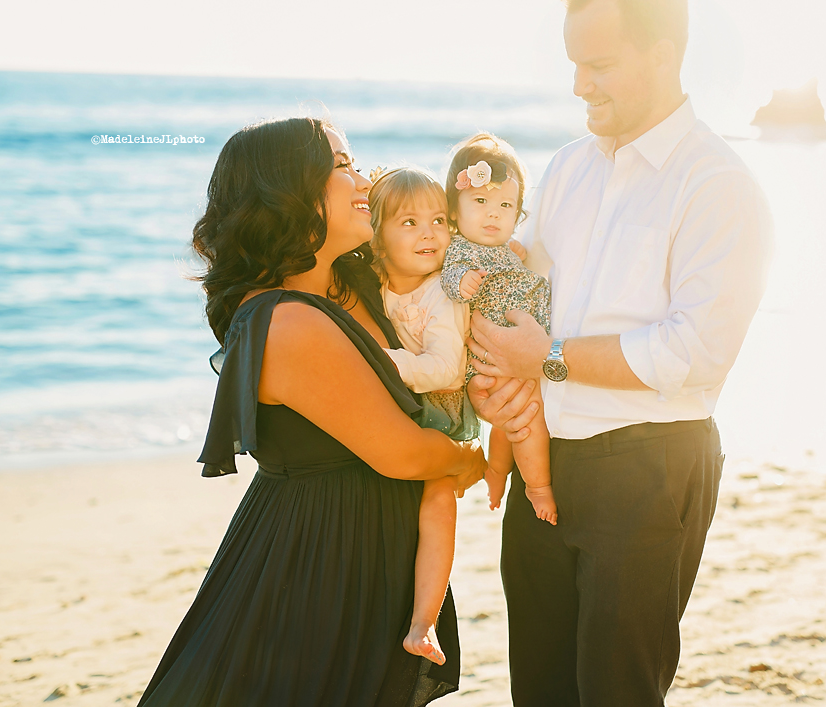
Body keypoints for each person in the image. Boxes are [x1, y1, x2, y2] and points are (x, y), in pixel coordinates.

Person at [465, 0, 774, 704]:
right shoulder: (567, 167)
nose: (579, 85)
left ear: (662, 56)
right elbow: (520, 288)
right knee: (538, 689)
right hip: (546, 463)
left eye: (598, 65)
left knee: (617, 692)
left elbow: (694, 353)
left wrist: (547, 358)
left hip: (649, 466)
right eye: (574, 64)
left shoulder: (717, 183)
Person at [138, 118, 487, 707]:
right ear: (291, 190)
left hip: (367, 548)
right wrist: (468, 459)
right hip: (319, 558)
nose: (363, 180)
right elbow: (402, 453)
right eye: (342, 165)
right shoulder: (287, 320)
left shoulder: (354, 283)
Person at [366, 165, 479, 666]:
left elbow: (446, 369)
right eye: (409, 223)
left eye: (438, 220)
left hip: (440, 410)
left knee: (437, 506)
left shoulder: (442, 291)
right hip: (401, 407)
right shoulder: (371, 281)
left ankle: (423, 622)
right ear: (377, 237)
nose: (429, 233)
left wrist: (378, 361)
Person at [440, 134, 556, 525]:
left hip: (514, 353)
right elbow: (447, 277)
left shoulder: (503, 249)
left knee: (509, 424)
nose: (493, 215)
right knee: (527, 421)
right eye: (480, 202)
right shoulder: (459, 249)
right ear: (453, 210)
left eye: (505, 206)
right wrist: (462, 282)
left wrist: (514, 254)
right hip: (493, 356)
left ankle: (496, 472)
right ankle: (538, 487)